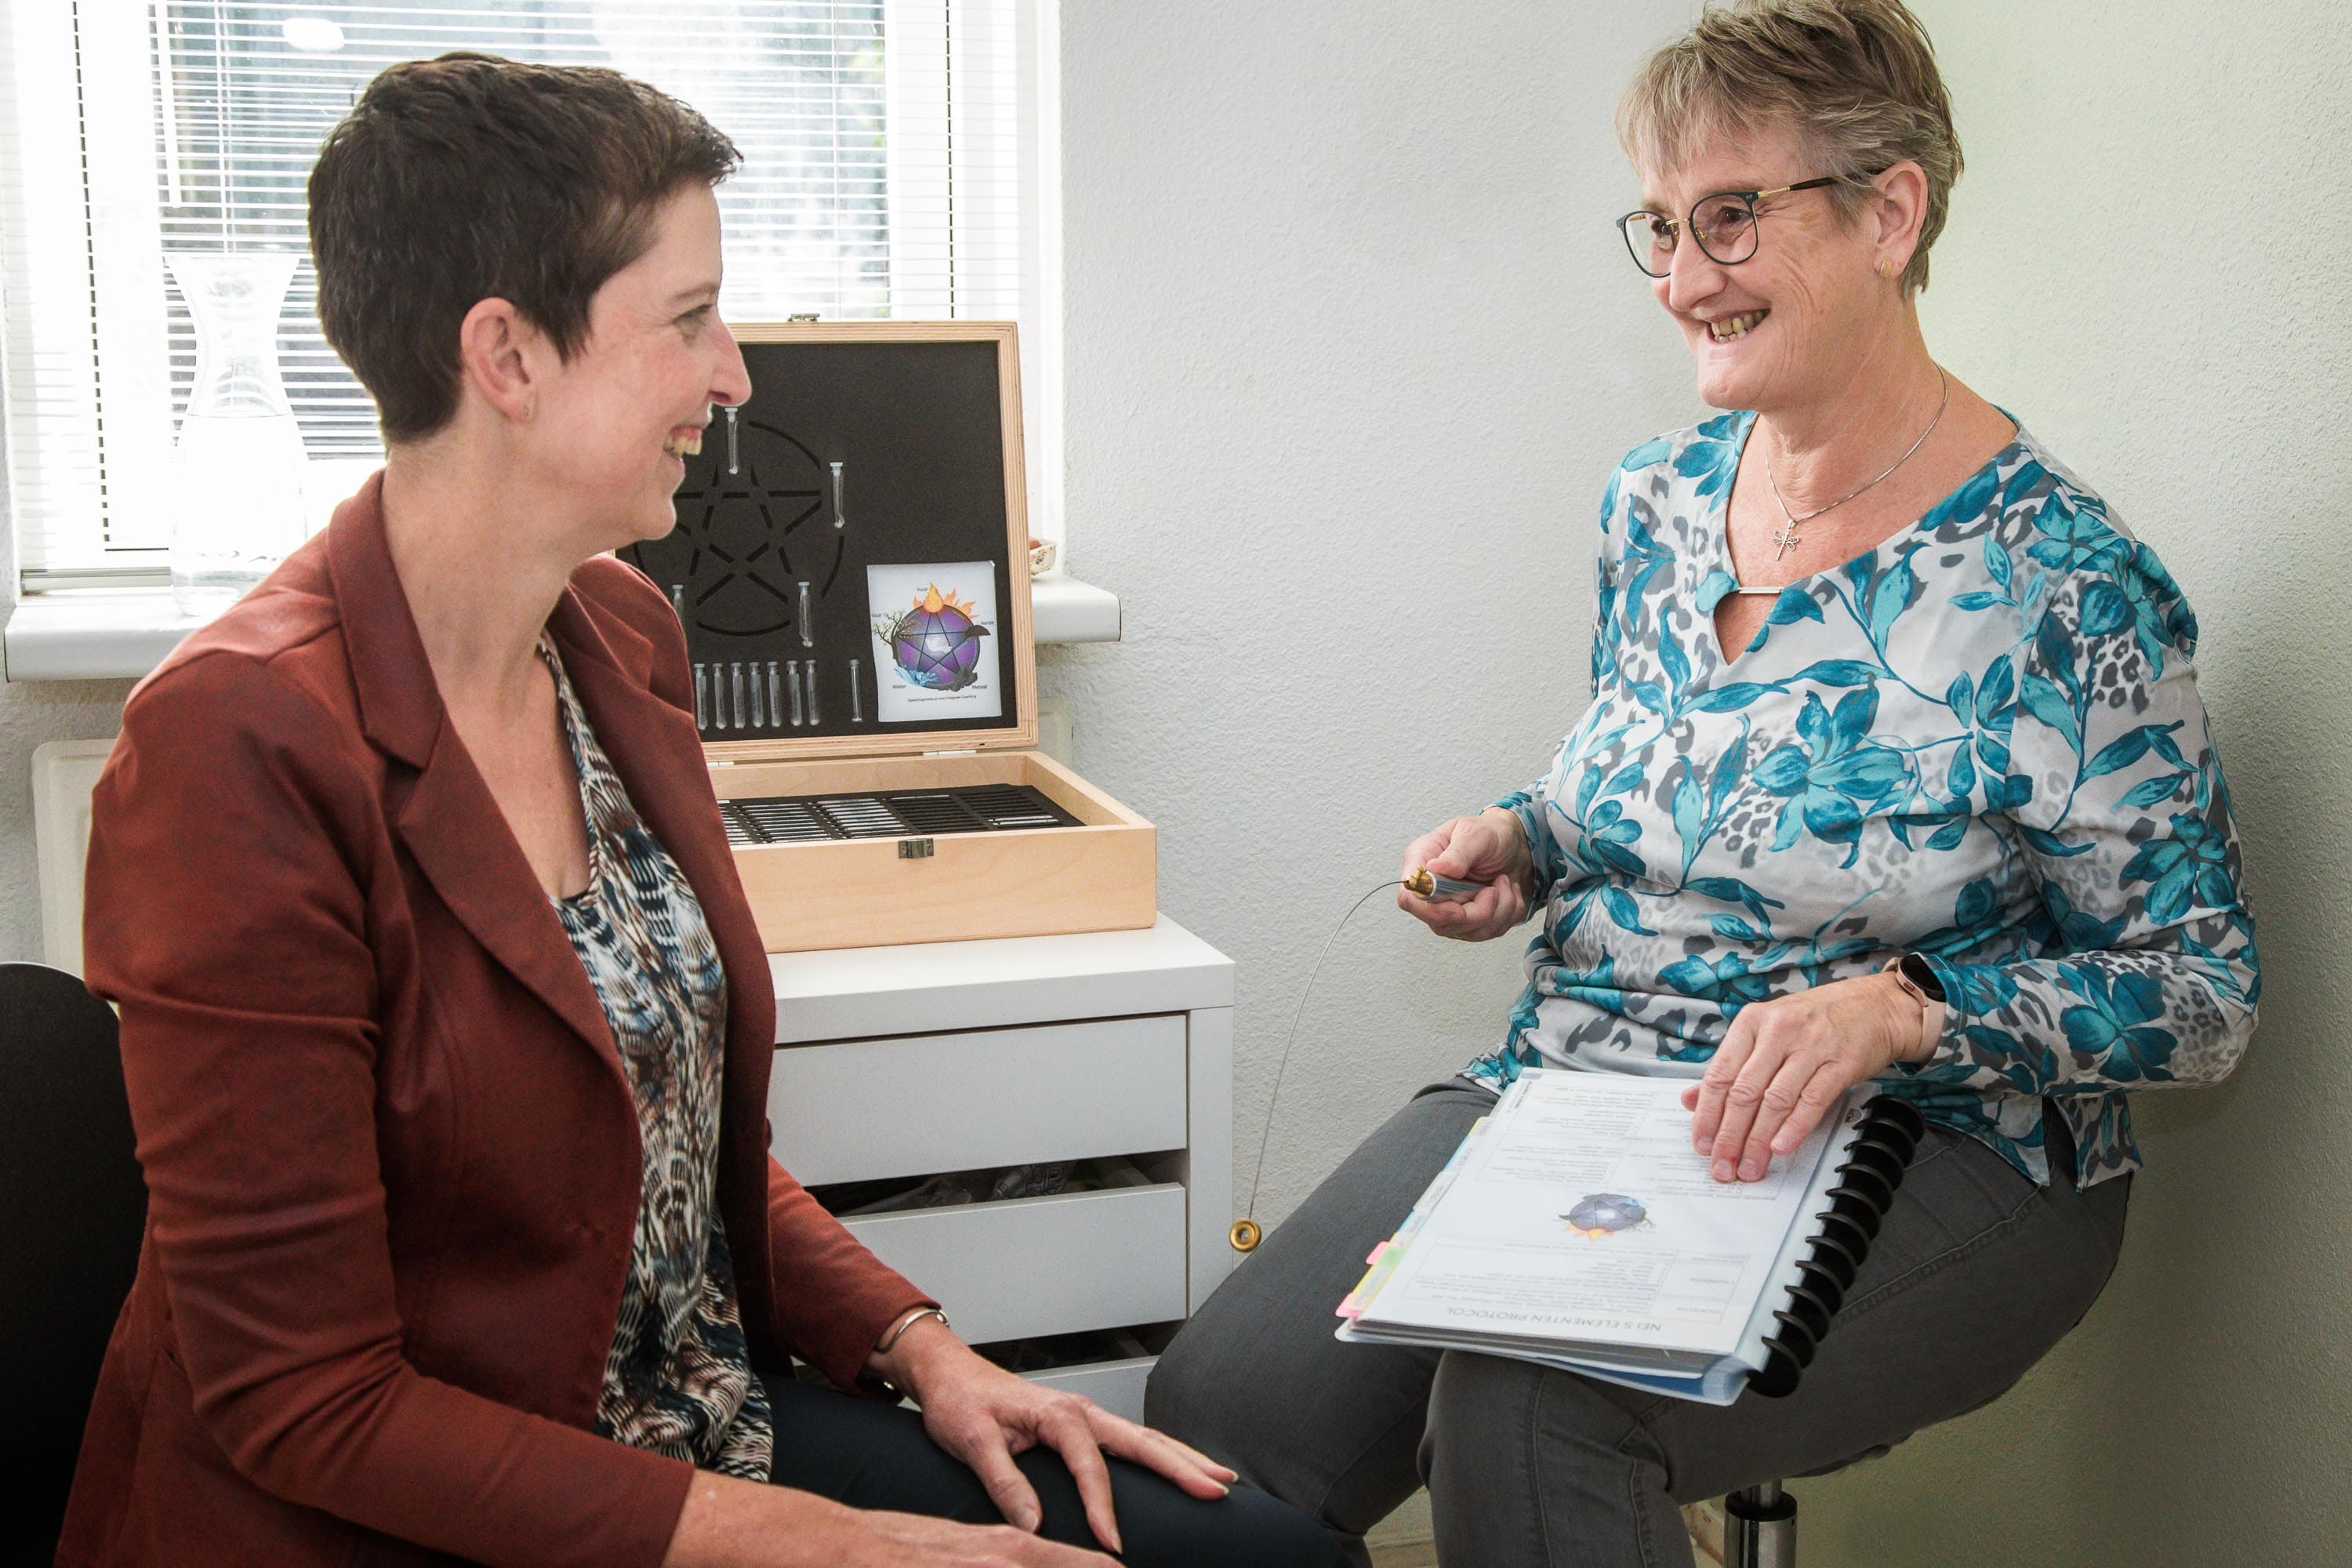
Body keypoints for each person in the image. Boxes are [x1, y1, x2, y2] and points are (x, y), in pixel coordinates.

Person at [60, 53, 1345, 1568]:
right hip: (421, 1510)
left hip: (685, 1425)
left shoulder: (617, 636)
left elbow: (662, 1144)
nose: (734, 375)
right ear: (506, 356)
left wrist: (922, 1347)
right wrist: (847, 1545)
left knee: (1262, 1555)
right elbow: (308, 1403)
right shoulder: (236, 747)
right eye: (688, 320)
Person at [1146, 2, 2260, 1564]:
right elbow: (1661, 788)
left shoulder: (2063, 585)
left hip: (1935, 1136)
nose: (1681, 280)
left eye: (1731, 216)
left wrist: (1906, 1010)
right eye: (1662, 228)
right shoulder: (1657, 501)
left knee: (1525, 1407)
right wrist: (1525, 841)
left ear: (1890, 213)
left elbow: (2203, 995)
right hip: (1581, 1093)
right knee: (1214, 1420)